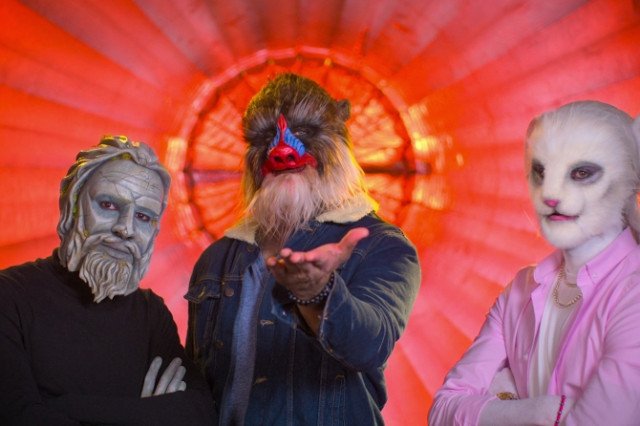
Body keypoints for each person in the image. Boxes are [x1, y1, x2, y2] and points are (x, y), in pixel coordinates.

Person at [185, 73, 421, 425]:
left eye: (305, 132)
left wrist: (318, 294)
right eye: (265, 138)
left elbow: (369, 346)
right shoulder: (217, 258)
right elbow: (199, 381)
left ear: (339, 145)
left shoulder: (382, 245)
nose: (281, 150)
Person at [428, 101, 640, 425]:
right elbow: (443, 410)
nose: (550, 193)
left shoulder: (632, 291)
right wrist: (542, 411)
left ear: (629, 182)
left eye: (581, 173)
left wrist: (496, 407)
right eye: (541, 171)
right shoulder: (521, 290)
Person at [0, 136, 215, 425]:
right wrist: (148, 415)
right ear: (71, 204)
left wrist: (63, 406)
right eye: (108, 205)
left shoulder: (150, 313)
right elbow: (18, 417)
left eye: (143, 217)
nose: (125, 229)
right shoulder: (9, 296)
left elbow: (200, 413)